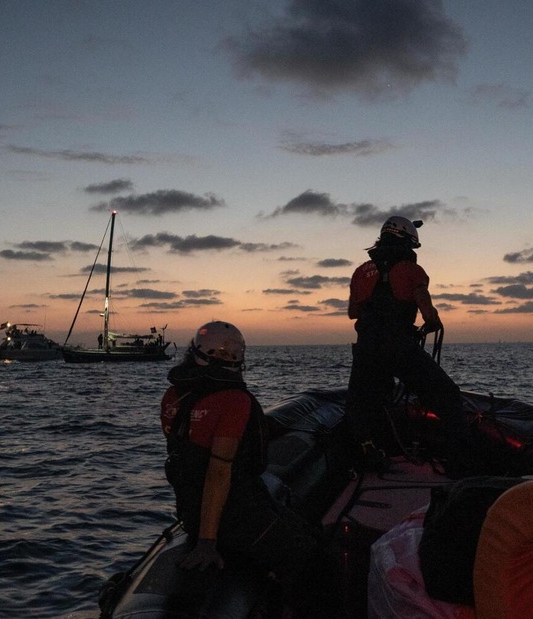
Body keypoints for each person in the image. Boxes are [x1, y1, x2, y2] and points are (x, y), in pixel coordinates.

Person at [160, 321, 328, 610]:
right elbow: (218, 472)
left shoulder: (174, 396)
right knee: (316, 555)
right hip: (232, 517)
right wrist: (207, 542)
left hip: (190, 511)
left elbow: (191, 454)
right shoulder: (234, 400)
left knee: (302, 530)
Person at [346, 216, 471, 475]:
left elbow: (353, 313)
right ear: (407, 241)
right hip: (399, 347)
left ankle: (367, 457)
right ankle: (459, 463)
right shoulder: (412, 270)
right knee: (447, 395)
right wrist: (432, 320)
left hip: (366, 349)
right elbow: (426, 309)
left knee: (364, 405)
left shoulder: (360, 271)